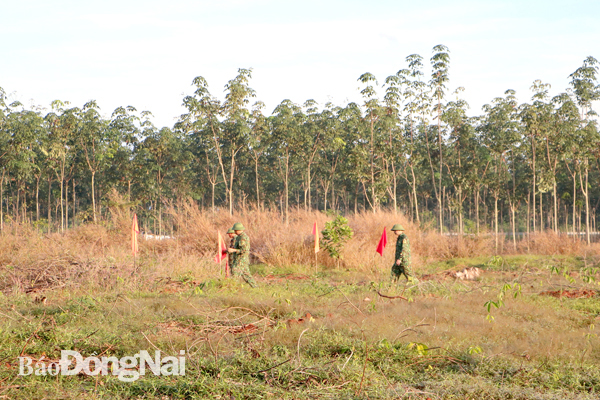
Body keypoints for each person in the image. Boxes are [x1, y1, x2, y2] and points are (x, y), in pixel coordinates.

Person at [228, 222, 257, 288]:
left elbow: (244, 250)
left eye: (235, 230)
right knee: (246, 275)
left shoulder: (243, 238)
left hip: (241, 260)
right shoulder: (238, 237)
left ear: (238, 230)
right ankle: (255, 287)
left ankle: (232, 288)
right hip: (239, 259)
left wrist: (234, 250)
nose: (234, 231)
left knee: (235, 273)